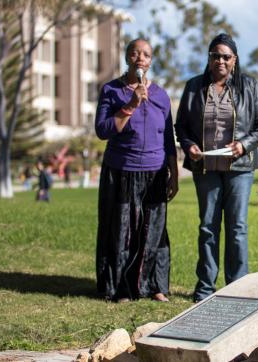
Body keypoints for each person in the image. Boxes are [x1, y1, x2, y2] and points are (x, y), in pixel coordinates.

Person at [175, 33, 258, 302]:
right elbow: (181, 124)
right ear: (209, 58)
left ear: (234, 60)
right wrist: (188, 145)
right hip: (205, 167)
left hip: (240, 168)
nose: (220, 60)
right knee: (208, 226)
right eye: (215, 55)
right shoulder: (194, 86)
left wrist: (244, 144)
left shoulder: (248, 86)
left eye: (226, 56)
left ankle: (237, 288)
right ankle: (205, 287)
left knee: (237, 227)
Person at [95, 38, 178, 303]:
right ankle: (120, 288)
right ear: (127, 58)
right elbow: (102, 130)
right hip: (122, 170)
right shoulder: (111, 90)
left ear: (150, 61)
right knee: (122, 231)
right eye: (135, 53)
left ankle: (154, 286)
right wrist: (130, 104)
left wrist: (173, 174)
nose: (140, 58)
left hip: (154, 173)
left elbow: (168, 140)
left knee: (153, 231)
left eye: (146, 55)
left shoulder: (162, 95)